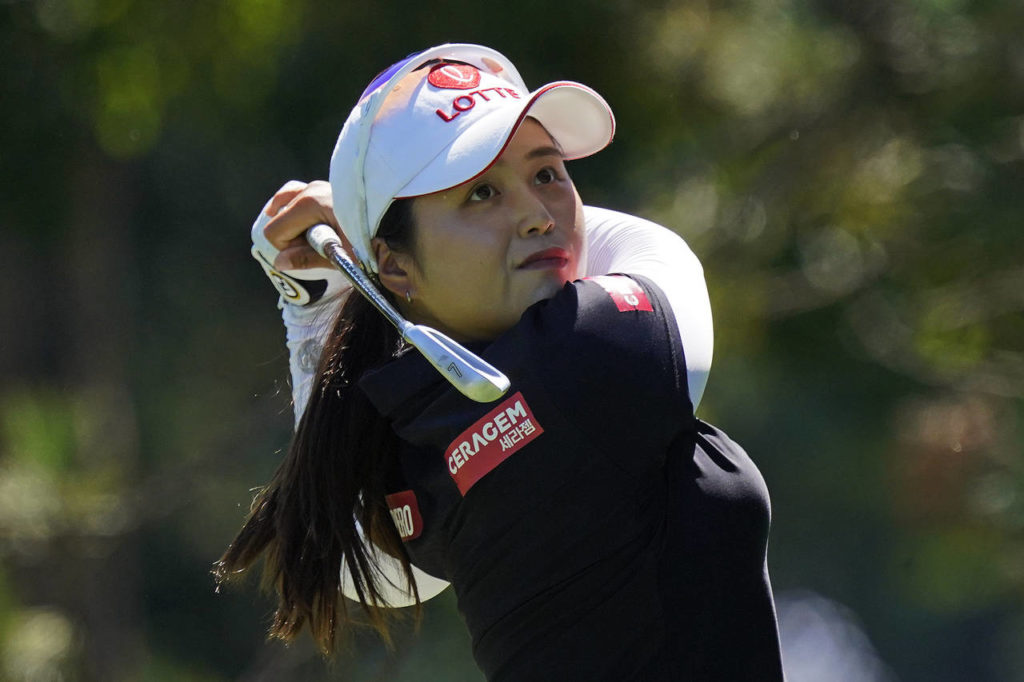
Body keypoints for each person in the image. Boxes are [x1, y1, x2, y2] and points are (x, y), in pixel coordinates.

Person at [216, 43, 784, 680]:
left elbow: (375, 572)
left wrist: (316, 304)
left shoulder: (413, 425)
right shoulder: (598, 349)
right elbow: (661, 251)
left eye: (547, 175)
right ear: (395, 266)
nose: (538, 217)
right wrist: (353, 254)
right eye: (482, 192)